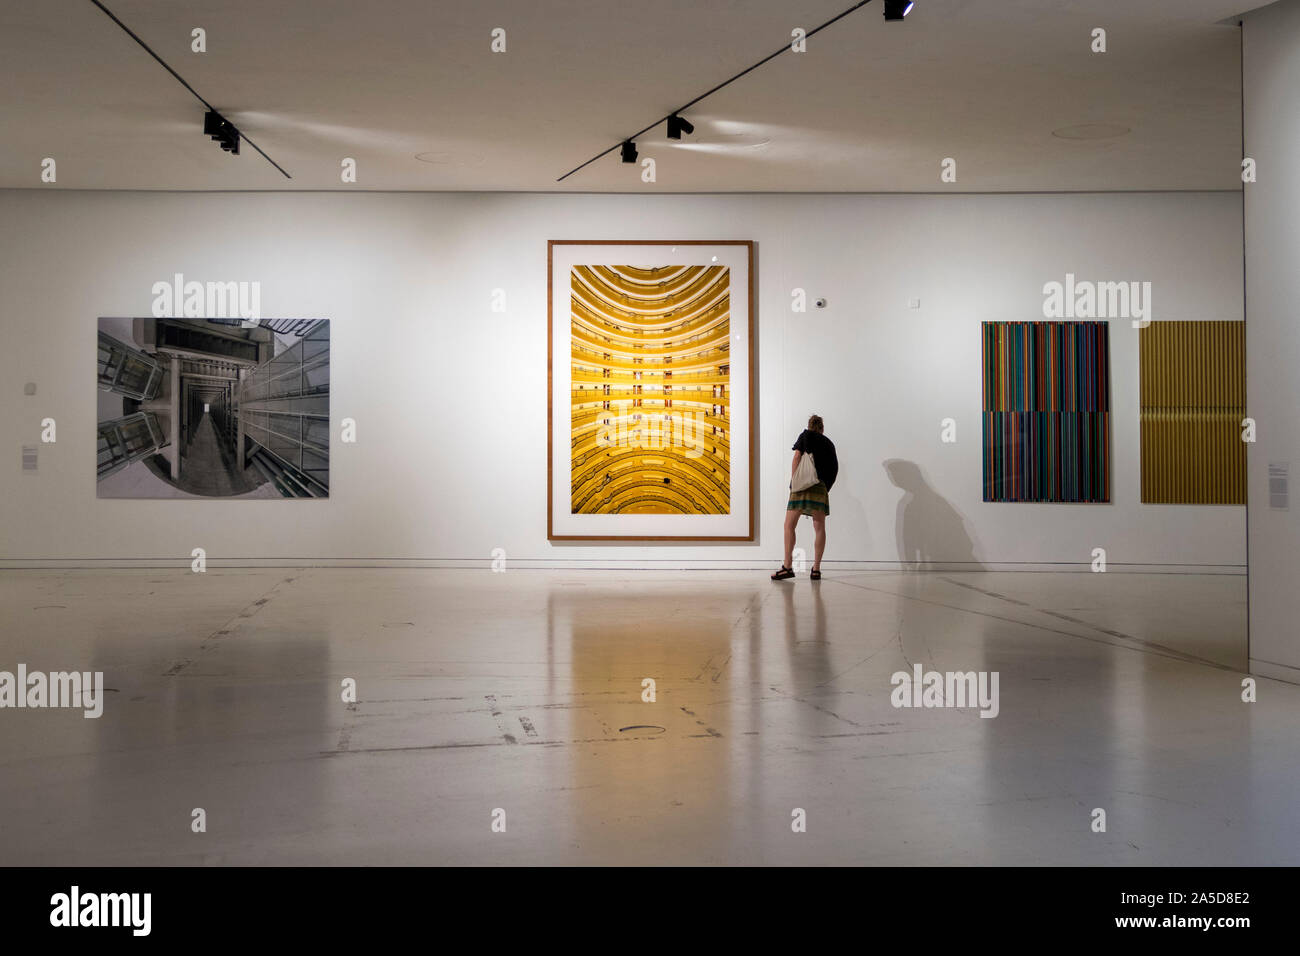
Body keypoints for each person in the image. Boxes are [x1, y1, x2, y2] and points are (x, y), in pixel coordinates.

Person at [772, 414, 838, 581]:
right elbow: (834, 468)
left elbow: (796, 458)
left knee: (789, 525)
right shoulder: (829, 443)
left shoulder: (805, 436)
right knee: (819, 527)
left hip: (802, 486)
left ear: (809, 426)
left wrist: (794, 482)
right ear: (822, 428)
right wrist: (824, 487)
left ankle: (787, 566)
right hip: (820, 486)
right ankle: (816, 569)